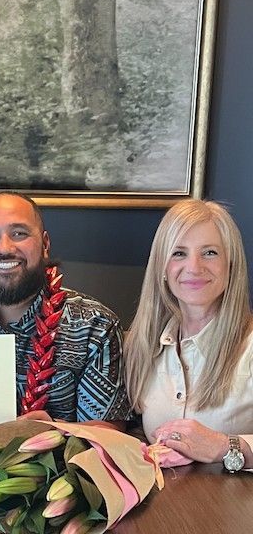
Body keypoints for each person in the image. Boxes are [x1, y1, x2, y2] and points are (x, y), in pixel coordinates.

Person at [0, 191, 132, 423]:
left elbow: (106, 432)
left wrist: (48, 432)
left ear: (45, 244)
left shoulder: (93, 327)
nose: (4, 247)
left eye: (19, 233)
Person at [124, 199, 253, 469]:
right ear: (162, 267)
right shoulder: (140, 344)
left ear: (231, 265)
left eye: (210, 253)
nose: (194, 267)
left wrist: (225, 446)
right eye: (179, 253)